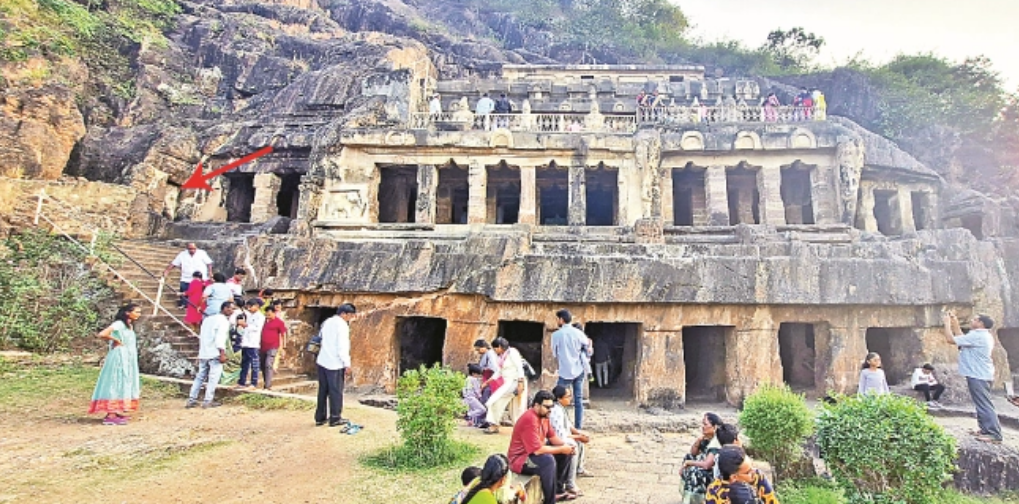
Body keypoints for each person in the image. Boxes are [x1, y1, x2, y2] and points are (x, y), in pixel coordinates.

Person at [943, 311, 1002, 444]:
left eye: (974, 319)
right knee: (980, 402)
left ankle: (994, 434)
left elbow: (951, 340)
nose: (971, 321)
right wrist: (955, 323)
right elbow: (961, 339)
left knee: (984, 404)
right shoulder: (980, 335)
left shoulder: (978, 336)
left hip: (978, 374)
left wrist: (947, 324)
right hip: (980, 373)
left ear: (980, 323)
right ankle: (985, 429)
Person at [508, 390, 576, 504]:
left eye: (551, 407)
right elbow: (537, 450)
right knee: (548, 461)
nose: (550, 410)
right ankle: (550, 500)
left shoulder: (544, 416)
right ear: (536, 405)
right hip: (520, 459)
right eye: (547, 407)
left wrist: (567, 447)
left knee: (565, 452)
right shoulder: (530, 419)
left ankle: (558, 490)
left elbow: (553, 438)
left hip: (533, 453)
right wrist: (562, 449)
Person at [89, 303, 143, 425]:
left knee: (124, 381)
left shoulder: (129, 325)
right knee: (115, 381)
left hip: (128, 357)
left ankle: (116, 409)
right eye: (136, 312)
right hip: (119, 356)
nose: (138, 314)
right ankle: (110, 414)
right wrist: (116, 340)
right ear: (127, 312)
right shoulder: (119, 324)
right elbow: (103, 334)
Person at [186, 301, 235, 409]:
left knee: (200, 377)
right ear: (225, 308)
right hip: (215, 353)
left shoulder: (207, 320)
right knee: (213, 378)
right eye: (231, 308)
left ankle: (191, 399)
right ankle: (208, 400)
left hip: (204, 352)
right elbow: (220, 338)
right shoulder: (223, 321)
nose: (232, 311)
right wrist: (222, 353)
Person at [316, 303, 356, 427]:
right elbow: (342, 347)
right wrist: (347, 364)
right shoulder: (342, 326)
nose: (350, 318)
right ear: (343, 314)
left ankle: (320, 417)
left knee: (323, 390)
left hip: (322, 360)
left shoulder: (327, 322)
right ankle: (335, 417)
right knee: (336, 391)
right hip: (335, 363)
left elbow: (320, 337)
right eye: (350, 315)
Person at [550, 385, 593, 497]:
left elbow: (568, 426)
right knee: (573, 445)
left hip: (562, 436)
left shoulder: (562, 408)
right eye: (567, 396)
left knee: (579, 442)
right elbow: (561, 435)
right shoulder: (556, 411)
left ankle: (579, 468)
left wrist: (579, 434)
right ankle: (570, 483)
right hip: (555, 440)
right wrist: (578, 437)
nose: (570, 398)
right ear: (559, 398)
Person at [552, 309, 588, 429]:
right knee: (578, 400)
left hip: (564, 371)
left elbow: (554, 353)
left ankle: (562, 424)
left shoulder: (556, 335)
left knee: (558, 399)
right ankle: (578, 427)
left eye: (557, 319)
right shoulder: (578, 333)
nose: (557, 321)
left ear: (561, 320)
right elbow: (587, 346)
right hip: (578, 370)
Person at [483, 337, 527, 434]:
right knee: (511, 405)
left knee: (496, 401)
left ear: (499, 346)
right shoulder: (502, 356)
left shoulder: (512, 353)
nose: (494, 351)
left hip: (515, 381)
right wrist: (487, 382)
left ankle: (494, 424)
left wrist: (520, 384)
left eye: (495, 348)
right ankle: (498, 424)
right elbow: (499, 371)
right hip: (507, 382)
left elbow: (520, 368)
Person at [705, 445, 778, 504]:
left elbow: (772, 501)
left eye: (752, 467)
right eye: (747, 472)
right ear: (734, 477)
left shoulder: (757, 477)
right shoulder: (714, 492)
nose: (753, 471)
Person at [681, 412, 723, 504]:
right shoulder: (707, 438)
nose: (702, 426)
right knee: (688, 457)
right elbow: (693, 453)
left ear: (714, 427)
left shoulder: (716, 443)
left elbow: (707, 465)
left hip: (716, 474)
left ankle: (695, 499)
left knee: (695, 470)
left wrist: (690, 463)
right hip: (707, 467)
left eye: (705, 424)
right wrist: (698, 441)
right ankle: (688, 495)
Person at [162, 242, 213, 309]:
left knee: (199, 293)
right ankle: (184, 304)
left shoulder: (202, 253)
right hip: (186, 278)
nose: (192, 250)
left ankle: (198, 306)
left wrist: (210, 272)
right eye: (190, 249)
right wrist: (167, 271)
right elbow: (174, 263)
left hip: (200, 278)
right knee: (184, 291)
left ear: (196, 248)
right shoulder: (182, 254)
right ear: (187, 248)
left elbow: (209, 263)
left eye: (194, 249)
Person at [235, 298, 265, 389]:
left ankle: (253, 383)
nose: (249, 308)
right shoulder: (248, 315)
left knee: (254, 363)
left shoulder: (260, 316)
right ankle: (242, 382)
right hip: (245, 342)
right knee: (244, 363)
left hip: (253, 342)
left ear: (256, 306)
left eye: (250, 306)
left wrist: (246, 325)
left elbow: (256, 328)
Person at [260, 304, 287, 390]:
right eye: (266, 314)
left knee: (268, 364)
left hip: (273, 346)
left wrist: (283, 347)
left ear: (274, 313)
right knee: (263, 365)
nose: (268, 316)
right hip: (262, 346)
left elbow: (283, 335)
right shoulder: (262, 321)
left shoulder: (279, 322)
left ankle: (268, 385)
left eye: (269, 314)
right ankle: (266, 383)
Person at [475, 338, 501, 404]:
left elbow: (494, 368)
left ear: (484, 347)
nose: (478, 352)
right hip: (488, 379)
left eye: (478, 349)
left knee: (486, 398)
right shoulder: (488, 354)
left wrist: (488, 381)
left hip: (490, 379)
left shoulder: (490, 354)